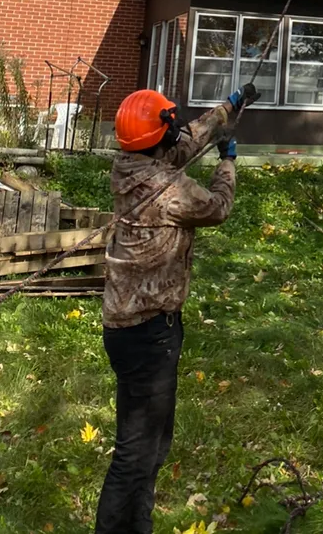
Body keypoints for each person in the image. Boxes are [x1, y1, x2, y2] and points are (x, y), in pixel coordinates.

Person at [94, 81, 258, 534]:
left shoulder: (129, 165)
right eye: (168, 121)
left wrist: (230, 107)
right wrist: (228, 160)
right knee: (136, 452)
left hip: (130, 329)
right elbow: (218, 207)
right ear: (156, 135)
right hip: (150, 335)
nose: (176, 127)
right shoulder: (169, 191)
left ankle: (137, 526)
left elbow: (184, 141)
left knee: (151, 444)